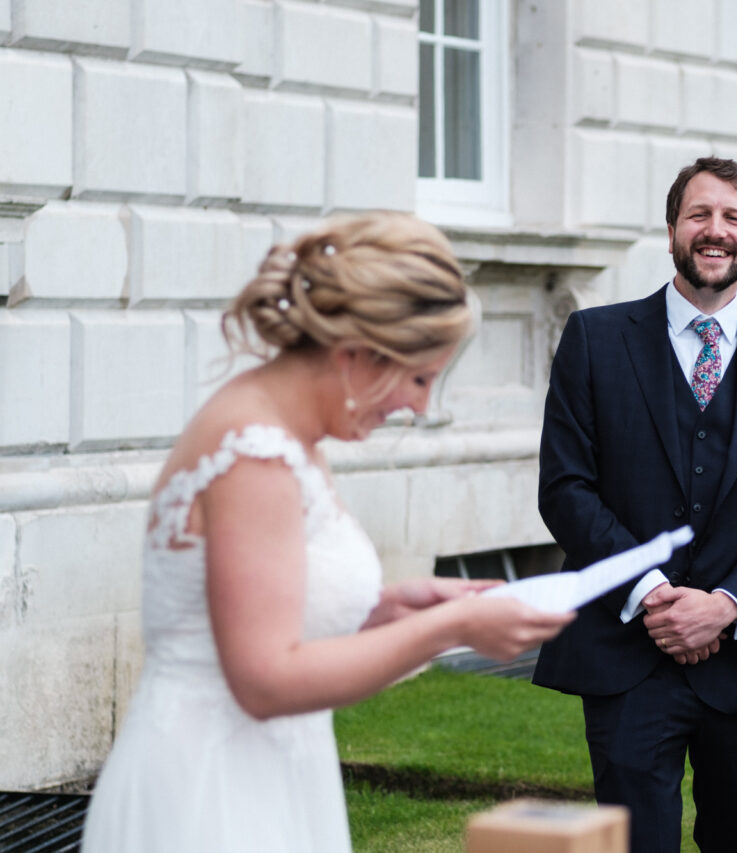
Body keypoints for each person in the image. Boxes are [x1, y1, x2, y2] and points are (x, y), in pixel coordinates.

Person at [81, 212, 574, 852]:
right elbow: (263, 680)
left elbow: (270, 613)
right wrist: (447, 631)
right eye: (421, 377)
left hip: (273, 772)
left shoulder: (288, 438)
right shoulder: (254, 454)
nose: (421, 407)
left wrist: (386, 612)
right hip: (209, 789)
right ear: (357, 354)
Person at [533, 157, 737, 852]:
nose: (715, 231)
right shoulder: (595, 341)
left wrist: (725, 603)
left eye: (735, 218)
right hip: (627, 653)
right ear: (671, 230)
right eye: (699, 214)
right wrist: (655, 593)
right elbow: (566, 488)